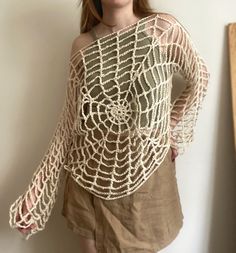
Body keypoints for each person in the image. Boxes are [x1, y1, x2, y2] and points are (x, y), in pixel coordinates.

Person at [9, 0, 210, 252]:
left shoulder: (163, 29)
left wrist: (170, 125)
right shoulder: (82, 46)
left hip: (146, 180)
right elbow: (68, 124)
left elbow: (199, 77)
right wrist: (37, 191)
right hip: (90, 179)